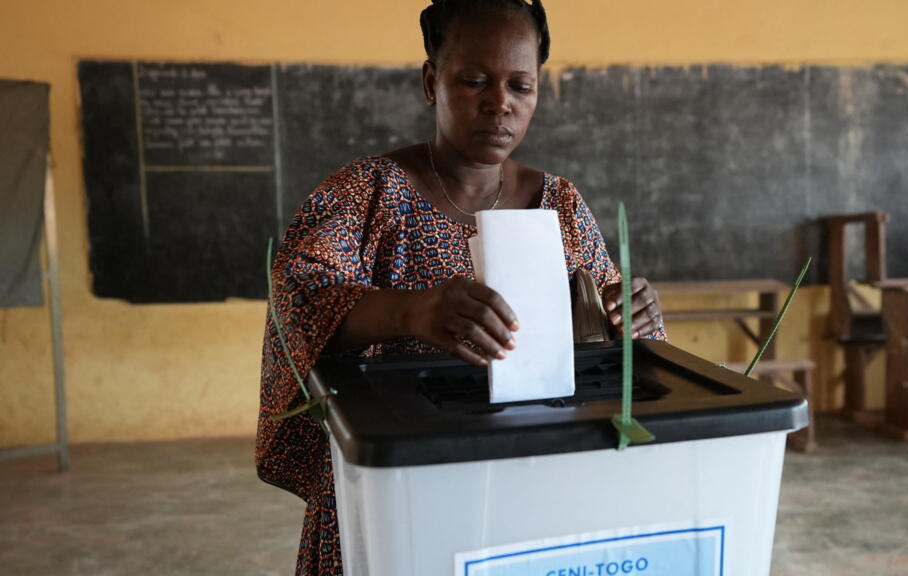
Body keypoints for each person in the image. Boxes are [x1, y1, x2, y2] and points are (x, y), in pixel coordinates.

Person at [257, 1, 666, 573]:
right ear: (432, 82)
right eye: (474, 81)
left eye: (521, 85)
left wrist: (632, 316)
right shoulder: (369, 193)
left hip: (527, 474)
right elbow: (296, 302)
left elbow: (604, 332)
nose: (500, 102)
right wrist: (410, 313)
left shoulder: (560, 204)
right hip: (394, 476)